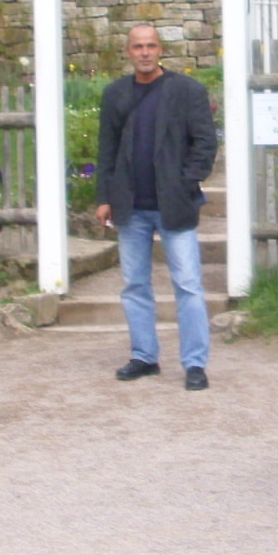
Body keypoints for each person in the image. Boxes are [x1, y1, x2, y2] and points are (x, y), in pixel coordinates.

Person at [94, 23, 221, 390]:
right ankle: (144, 356)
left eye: (150, 46)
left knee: (188, 285)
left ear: (160, 49)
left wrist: (185, 182)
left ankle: (195, 364)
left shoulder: (187, 91)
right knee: (134, 284)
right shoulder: (116, 93)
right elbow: (107, 149)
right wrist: (104, 197)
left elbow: (205, 143)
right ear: (128, 51)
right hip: (129, 206)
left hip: (173, 204)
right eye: (138, 47)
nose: (145, 52)